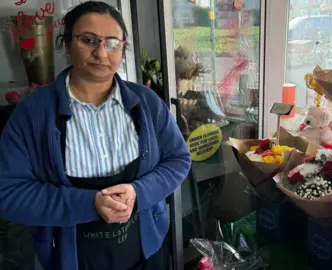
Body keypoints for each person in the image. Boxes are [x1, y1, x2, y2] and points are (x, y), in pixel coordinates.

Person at [0, 1, 191, 270]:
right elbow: (7, 193)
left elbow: (178, 160)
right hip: (70, 257)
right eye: (88, 40)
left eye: (113, 42)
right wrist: (89, 204)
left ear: (123, 48)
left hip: (146, 250)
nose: (101, 52)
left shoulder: (145, 102)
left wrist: (138, 193)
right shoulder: (33, 112)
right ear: (66, 43)